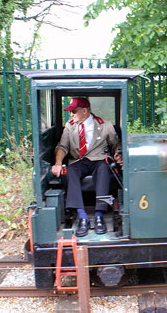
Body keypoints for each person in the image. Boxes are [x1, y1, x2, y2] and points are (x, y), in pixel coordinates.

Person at [51, 97, 120, 237]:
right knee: (70, 171)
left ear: (84, 111)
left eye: (73, 111)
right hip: (78, 161)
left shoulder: (104, 124)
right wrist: (58, 162)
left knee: (104, 169)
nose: (71, 115)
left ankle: (100, 215)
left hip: (98, 159)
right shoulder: (70, 126)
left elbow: (115, 144)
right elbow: (62, 146)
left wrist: (119, 154)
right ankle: (82, 217)